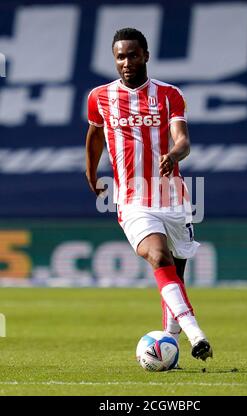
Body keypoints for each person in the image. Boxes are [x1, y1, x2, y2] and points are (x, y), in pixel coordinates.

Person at [85, 27, 212, 362]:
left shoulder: (169, 95)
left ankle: (169, 343)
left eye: (132, 55)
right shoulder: (100, 97)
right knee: (159, 257)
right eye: (120, 56)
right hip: (132, 199)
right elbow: (95, 135)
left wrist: (174, 155)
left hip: (173, 199)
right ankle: (197, 335)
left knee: (175, 276)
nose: (126, 62)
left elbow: (182, 140)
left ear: (145, 56)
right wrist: (90, 171)